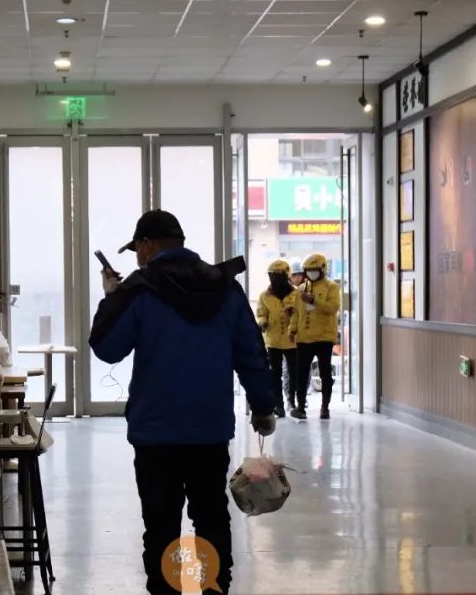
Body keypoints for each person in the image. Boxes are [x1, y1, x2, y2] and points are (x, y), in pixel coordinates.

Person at [89, 209, 277, 595]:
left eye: (137, 249)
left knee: (160, 525)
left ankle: (166, 590)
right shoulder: (224, 287)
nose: (137, 258)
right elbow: (251, 352)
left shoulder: (139, 290)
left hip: (156, 432)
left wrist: (111, 298)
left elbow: (108, 349)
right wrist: (262, 407)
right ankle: (214, 589)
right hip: (209, 429)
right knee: (210, 518)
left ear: (147, 245)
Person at [289, 253, 341, 420]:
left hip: (324, 338)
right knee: (301, 373)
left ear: (322, 269)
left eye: (314, 270)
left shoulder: (332, 287)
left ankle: (325, 408)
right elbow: (297, 313)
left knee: (325, 373)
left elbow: (333, 308)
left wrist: (314, 301)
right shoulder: (301, 289)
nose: (311, 273)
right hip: (304, 338)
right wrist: (292, 330)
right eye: (308, 270)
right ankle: (300, 407)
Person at [256, 259, 298, 417]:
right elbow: (261, 313)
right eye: (272, 275)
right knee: (275, 374)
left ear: (287, 275)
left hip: (292, 341)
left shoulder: (297, 295)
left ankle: (292, 401)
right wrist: (263, 323)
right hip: (273, 340)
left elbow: (301, 314)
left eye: (278, 275)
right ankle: (278, 404)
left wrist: (293, 314)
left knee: (294, 373)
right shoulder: (264, 296)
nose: (275, 279)